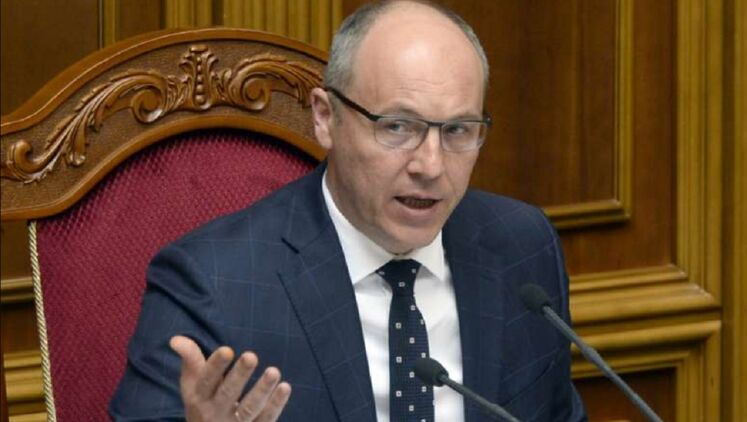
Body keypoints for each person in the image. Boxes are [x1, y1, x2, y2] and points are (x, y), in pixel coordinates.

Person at [109, 1, 587, 421]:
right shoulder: (213, 282)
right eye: (397, 126)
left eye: (458, 130)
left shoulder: (522, 247)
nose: (431, 166)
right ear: (325, 118)